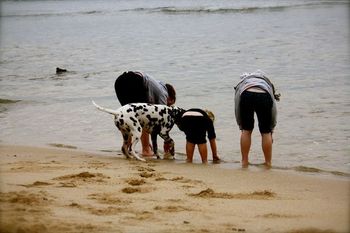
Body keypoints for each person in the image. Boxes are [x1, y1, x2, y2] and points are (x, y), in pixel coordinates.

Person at [114, 71, 176, 157]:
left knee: (127, 115)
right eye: (169, 104)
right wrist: (166, 141)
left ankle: (127, 147)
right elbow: (160, 120)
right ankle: (146, 150)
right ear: (170, 99)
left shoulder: (156, 86)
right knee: (144, 117)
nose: (168, 106)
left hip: (120, 82)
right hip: (135, 80)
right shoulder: (164, 93)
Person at [234, 70, 280, 168]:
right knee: (265, 132)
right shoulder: (268, 84)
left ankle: (244, 161)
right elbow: (274, 110)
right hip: (264, 95)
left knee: (246, 131)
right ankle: (268, 163)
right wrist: (272, 128)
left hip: (246, 94)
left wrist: (240, 124)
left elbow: (237, 105)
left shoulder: (242, 83)